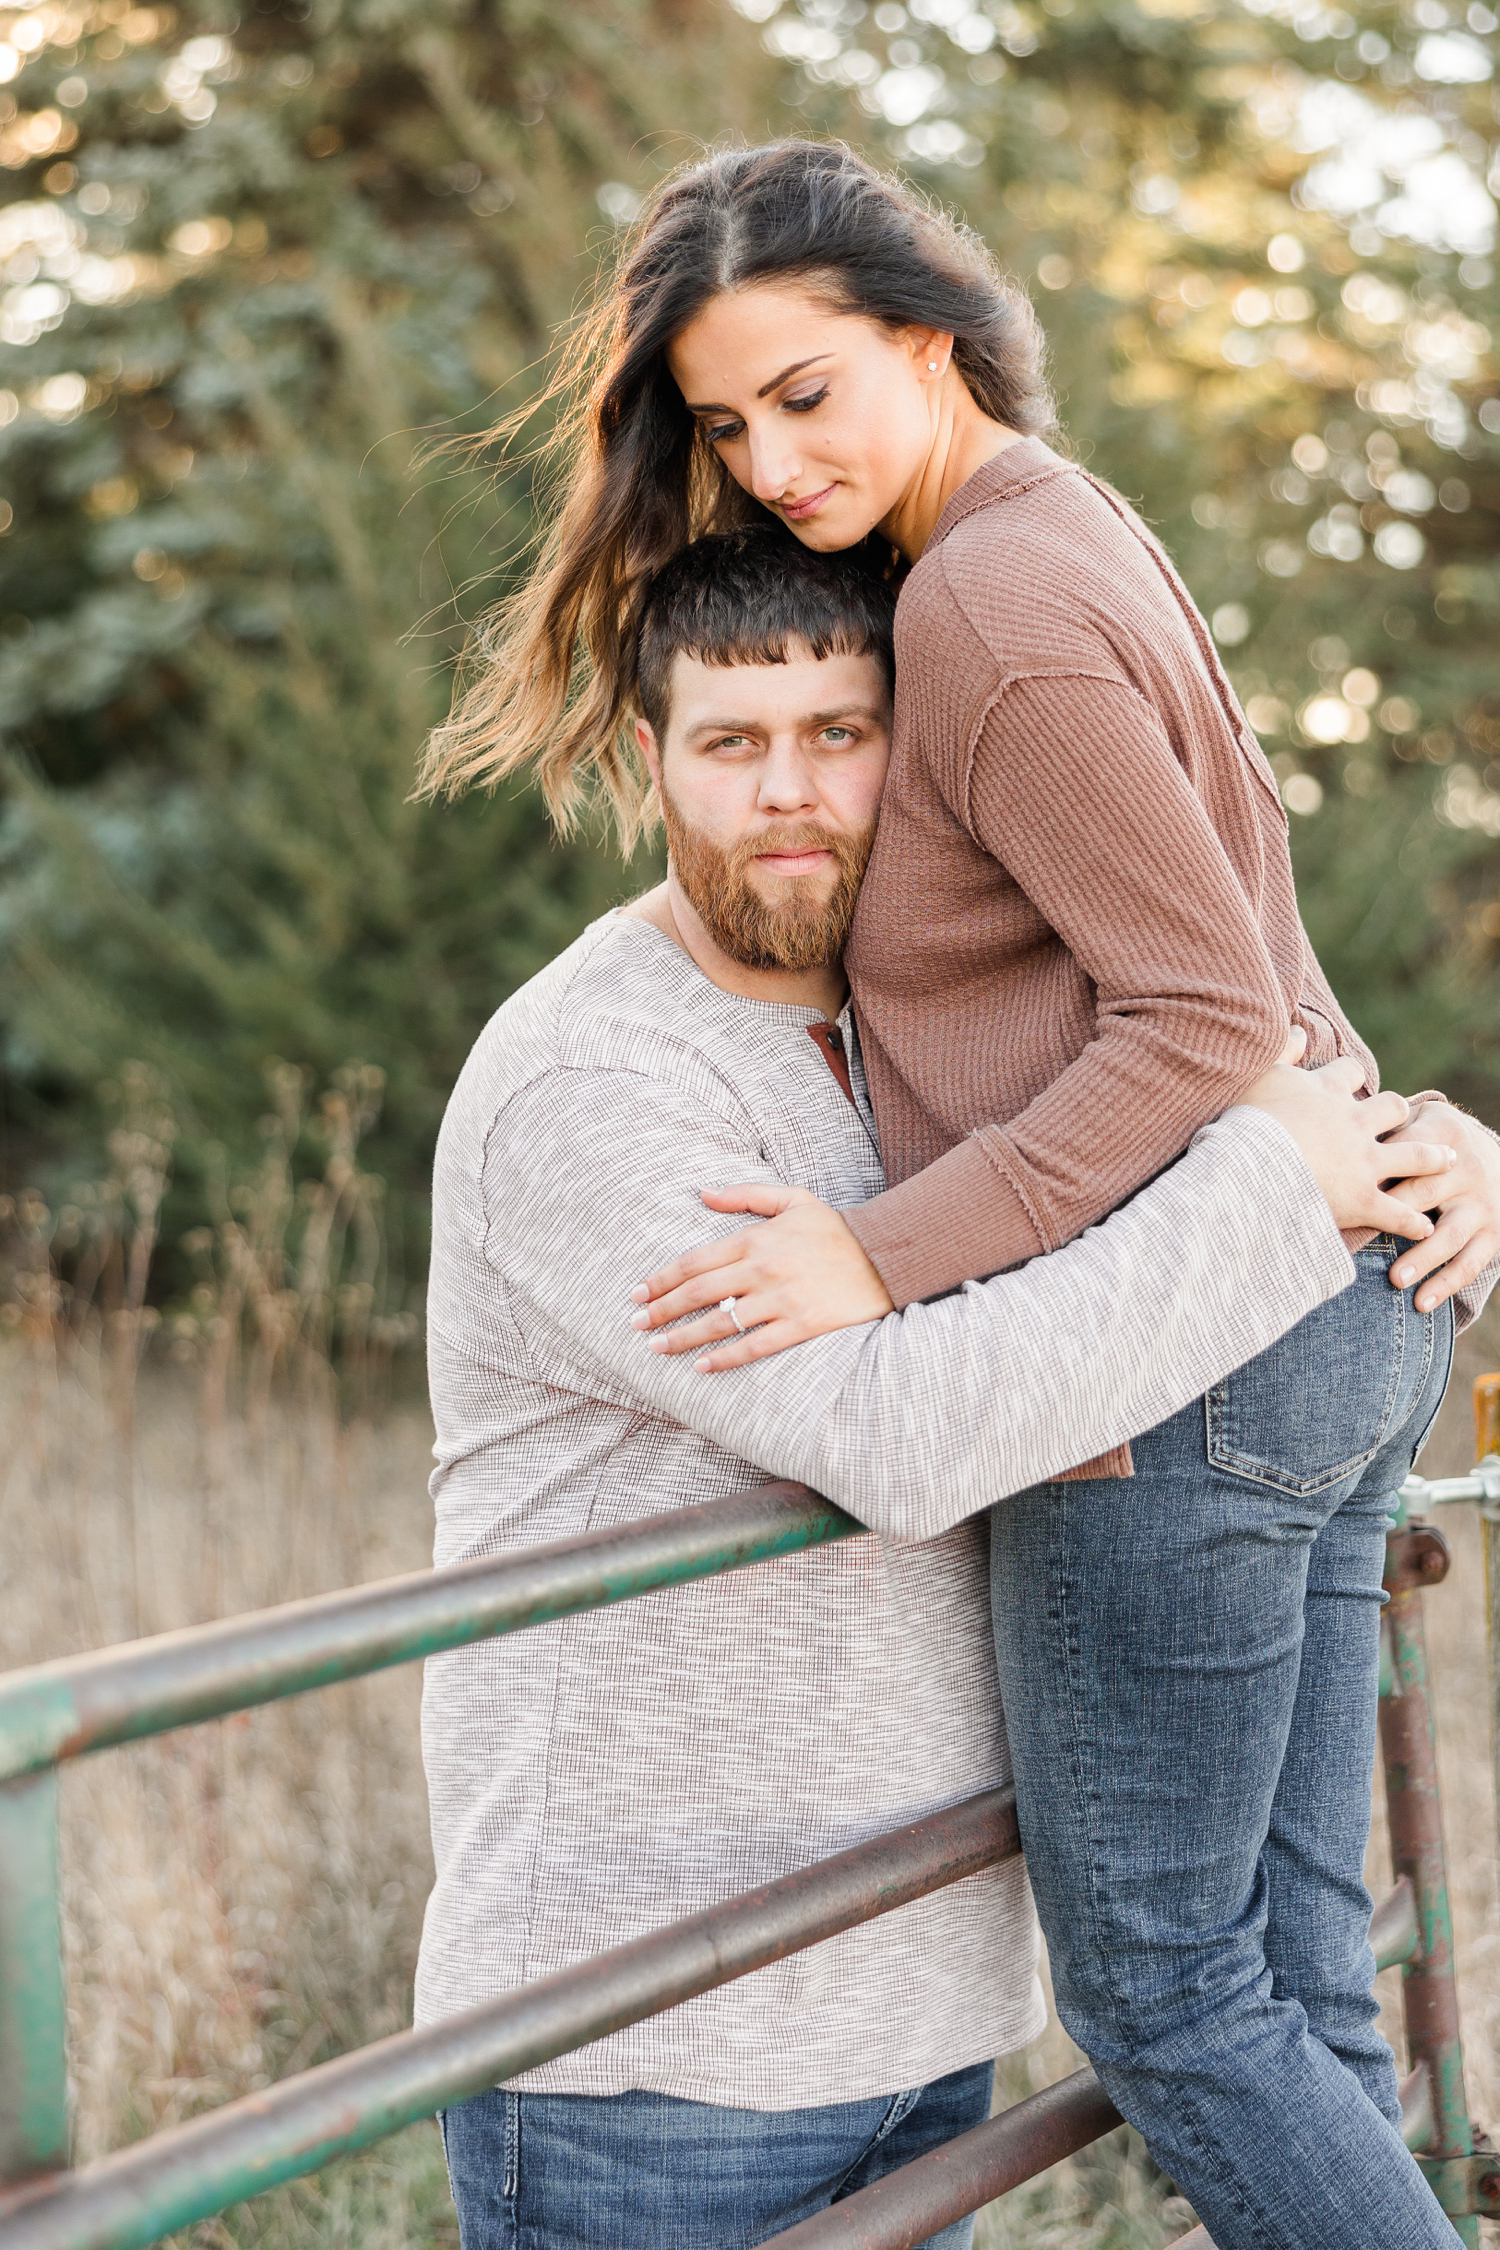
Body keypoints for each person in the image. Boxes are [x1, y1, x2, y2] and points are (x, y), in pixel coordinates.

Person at [420, 144, 1500, 2248]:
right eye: (727, 425)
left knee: (1177, 2003)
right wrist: (1393, 1121)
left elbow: (1195, 1009)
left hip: (1218, 1358)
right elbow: (1244, 938)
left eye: (809, 393)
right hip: (1335, 1322)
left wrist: (880, 1252)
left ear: (930, 335)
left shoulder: (988, 595)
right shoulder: (1064, 536)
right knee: (1289, 1979)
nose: (772, 460)